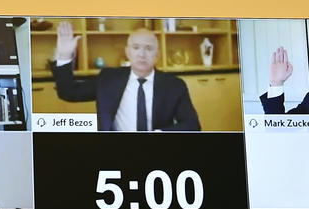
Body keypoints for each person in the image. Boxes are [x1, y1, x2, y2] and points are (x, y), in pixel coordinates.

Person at [51, 23, 200, 131]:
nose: (142, 54)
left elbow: (192, 125)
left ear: (158, 54)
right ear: (128, 52)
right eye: (136, 48)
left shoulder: (174, 85)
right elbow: (67, 91)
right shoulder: (108, 79)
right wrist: (64, 55)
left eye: (148, 48)